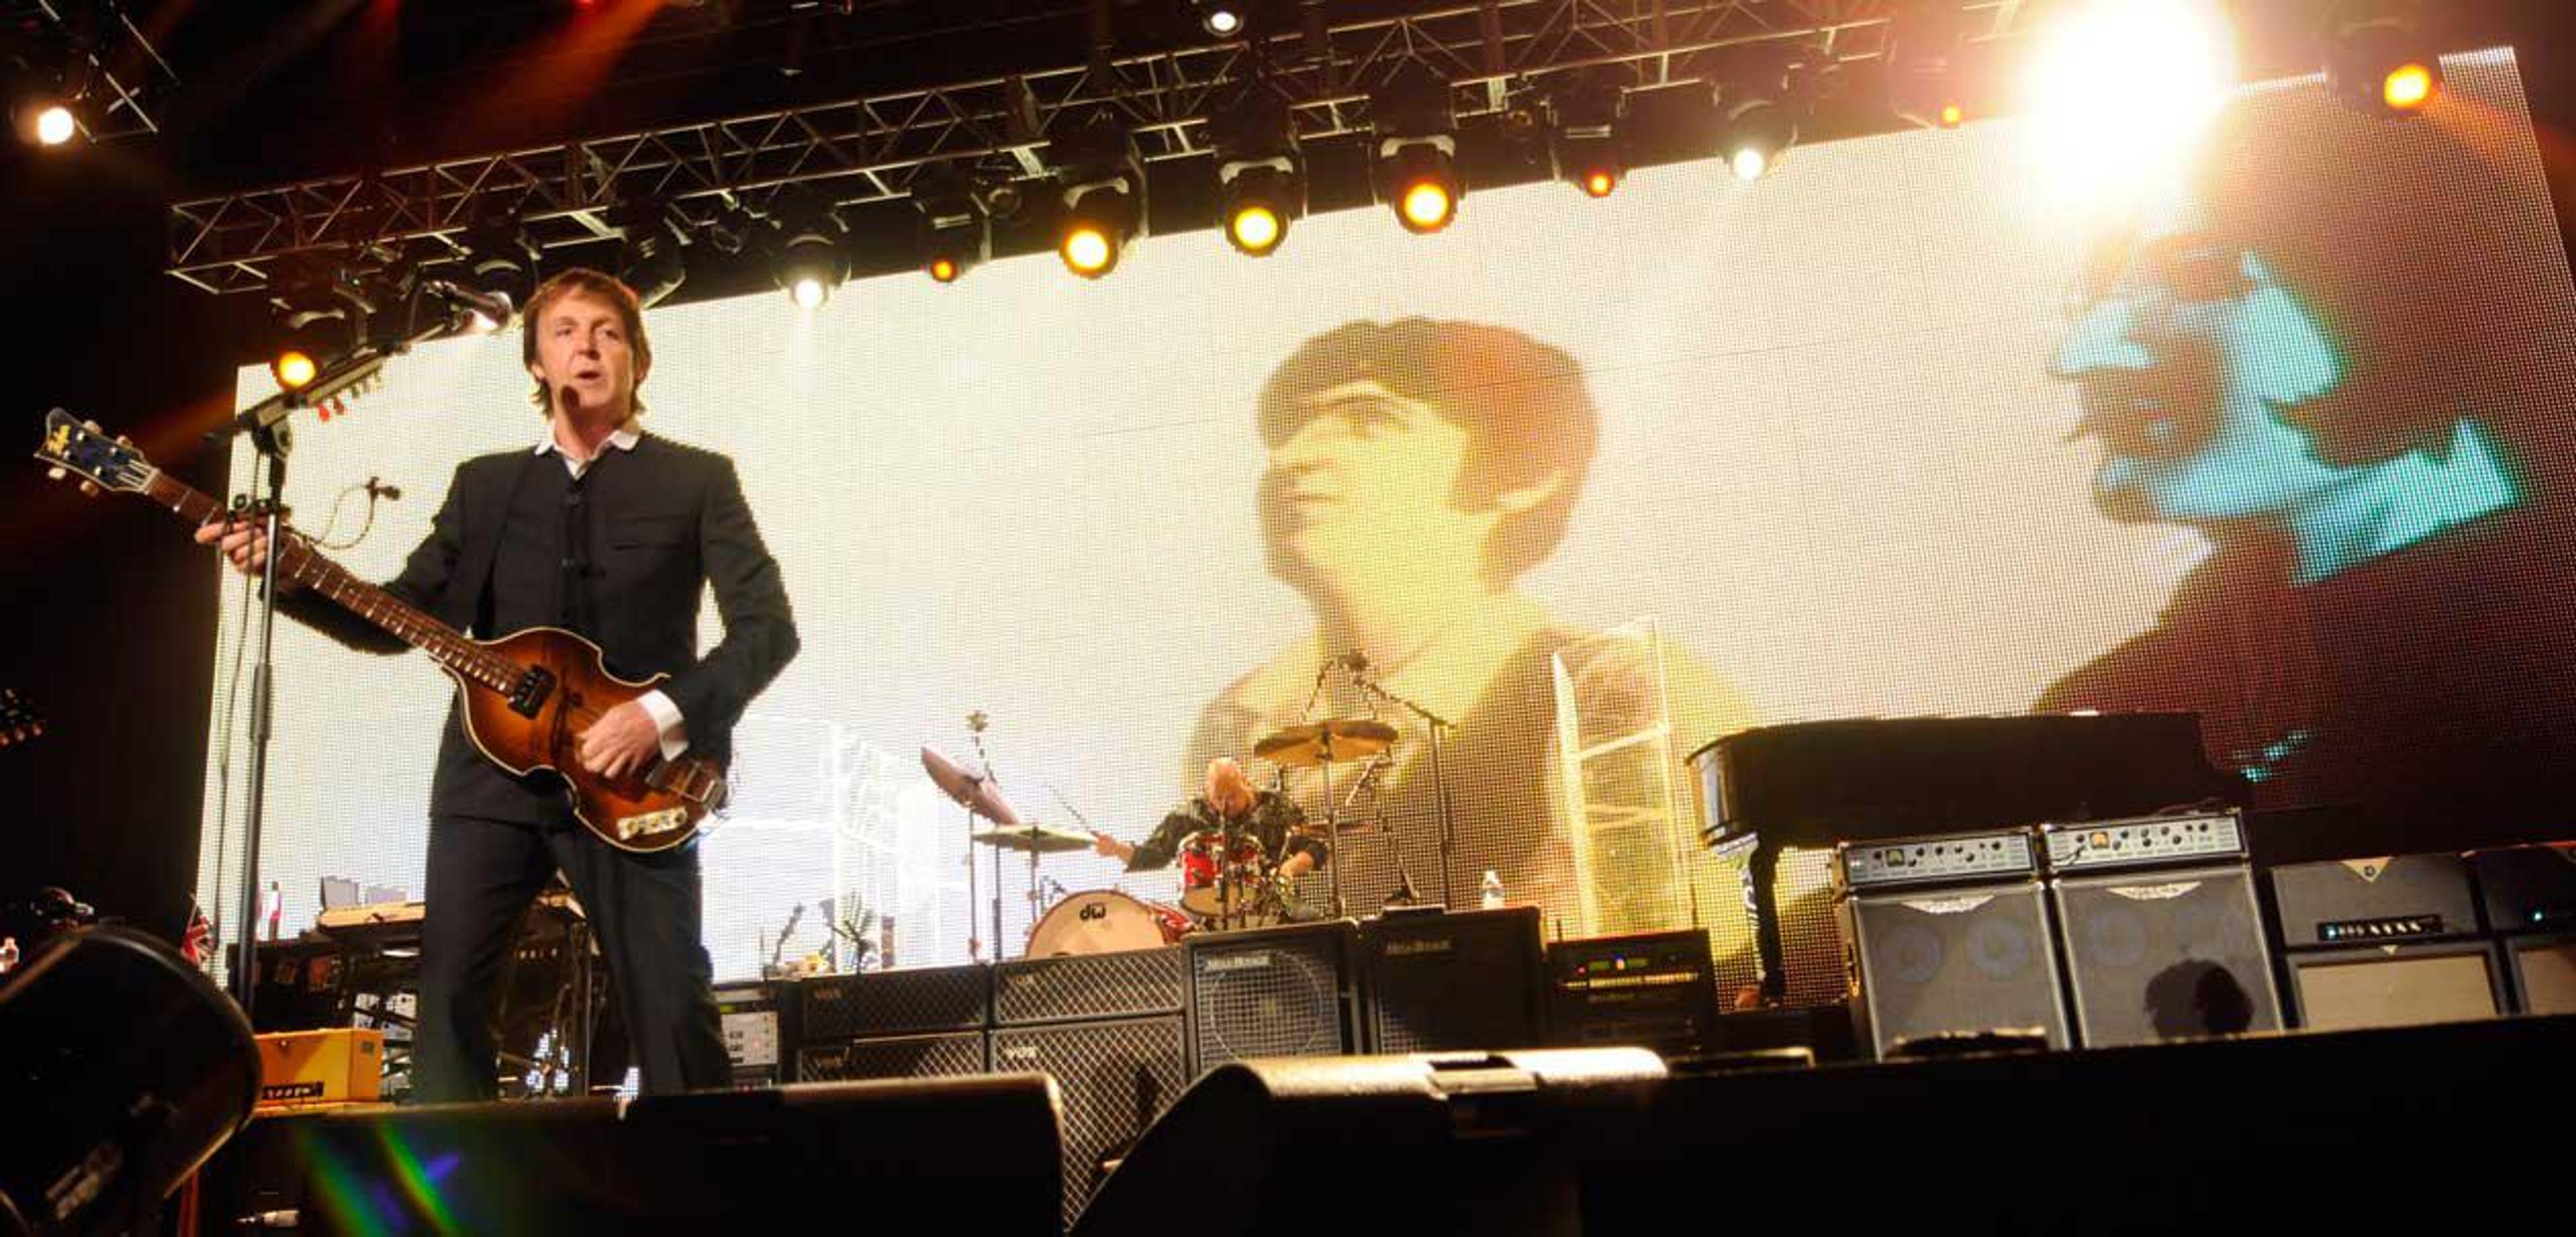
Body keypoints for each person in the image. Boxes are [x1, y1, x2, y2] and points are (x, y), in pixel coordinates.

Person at [199, 268, 800, 1099]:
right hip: (489, 783)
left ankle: (698, 1171)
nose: (587, 346)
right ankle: (465, 1174)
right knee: (448, 1006)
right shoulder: (486, 485)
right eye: (566, 331)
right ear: (536, 363)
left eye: (608, 332)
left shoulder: (697, 480)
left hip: (636, 784)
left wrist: (658, 716)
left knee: (671, 1008)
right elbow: (400, 618)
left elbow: (769, 629)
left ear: (638, 359)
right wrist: (292, 577)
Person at [2036, 77, 2576, 822]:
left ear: (2410, 298)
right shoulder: (2140, 704)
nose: (2076, 353)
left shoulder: (2527, 692)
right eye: (2095, 296)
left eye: (2202, 275)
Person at [1182, 318, 1757, 932]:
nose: (1292, 458)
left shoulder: (1608, 686)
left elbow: (1666, 936)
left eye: (1368, 420)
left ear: (1522, 474)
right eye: (1290, 430)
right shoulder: (1236, 718)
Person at [1093, 757, 1324, 918]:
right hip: (1206, 905)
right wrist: (1116, 849)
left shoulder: (1275, 805)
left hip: (1271, 899)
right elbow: (1153, 855)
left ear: (1246, 783)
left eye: (1232, 796)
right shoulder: (1190, 814)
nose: (1225, 805)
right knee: (1177, 936)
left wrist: (1289, 869)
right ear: (1207, 793)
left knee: (1312, 921)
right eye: (1217, 798)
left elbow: (1315, 847)